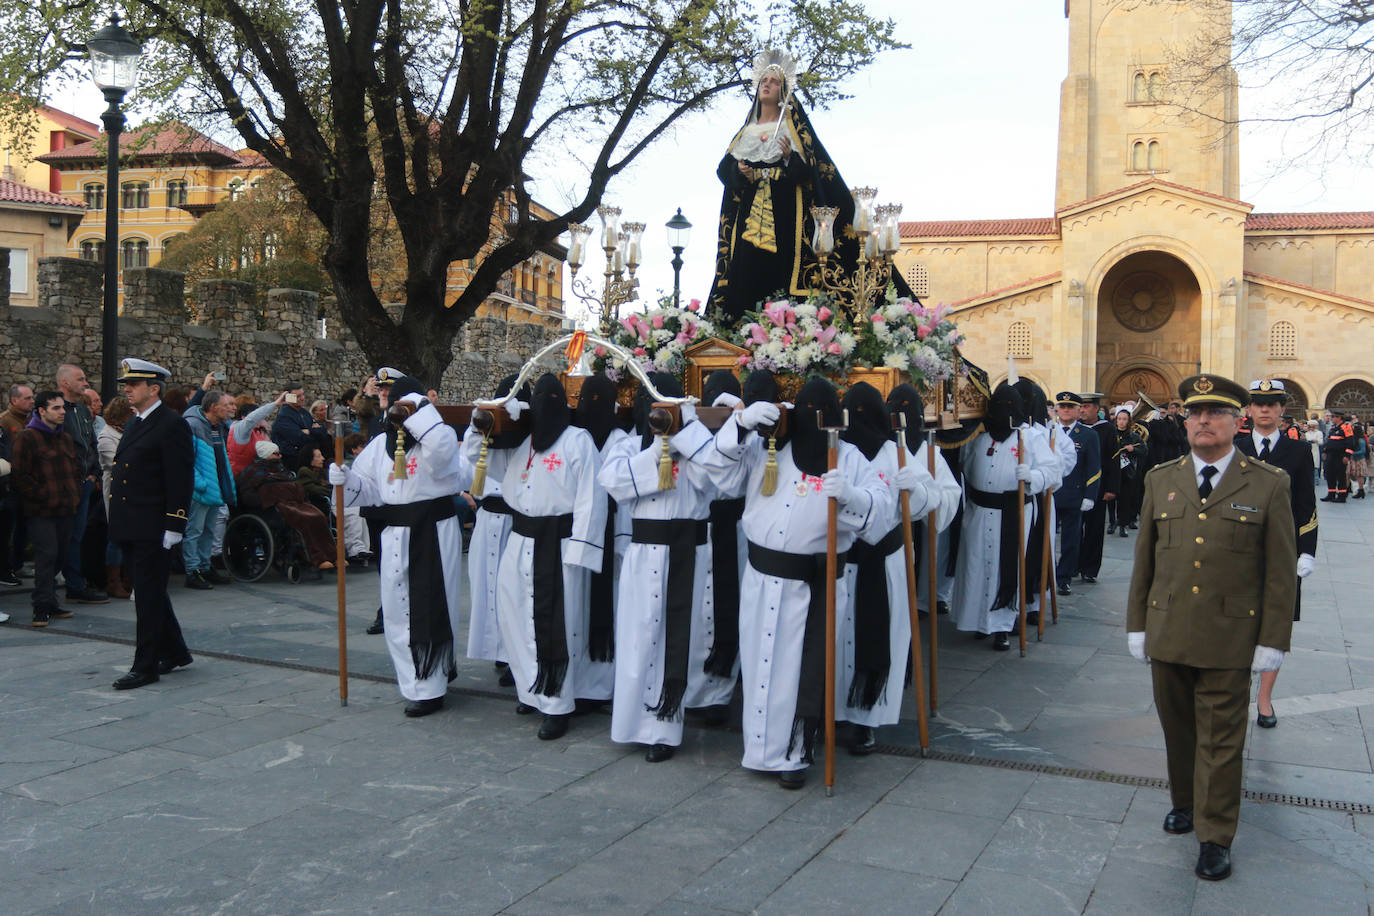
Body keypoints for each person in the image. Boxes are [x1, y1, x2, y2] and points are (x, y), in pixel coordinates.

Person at [1127, 373, 1296, 881]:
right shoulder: (1162, 478)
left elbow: (1279, 571)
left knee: (1222, 740)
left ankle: (1215, 834)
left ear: (1237, 421)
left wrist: (1273, 640)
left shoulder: (1268, 483)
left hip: (1230, 636)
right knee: (1177, 730)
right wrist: (1137, 625)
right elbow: (1145, 562)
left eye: (1216, 412)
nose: (1203, 420)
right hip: (1169, 628)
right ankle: (1184, 803)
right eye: (1196, 412)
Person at [686, 376, 893, 788]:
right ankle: (759, 749)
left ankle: (793, 754)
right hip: (762, 577)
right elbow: (718, 472)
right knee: (762, 660)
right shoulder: (769, 447)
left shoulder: (847, 456)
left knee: (797, 669)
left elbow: (882, 512)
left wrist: (853, 496)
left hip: (812, 584)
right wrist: (740, 425)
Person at [329, 375, 470, 717]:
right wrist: (344, 481)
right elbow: (370, 488)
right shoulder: (381, 445)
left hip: (431, 530)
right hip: (396, 531)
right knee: (397, 610)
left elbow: (446, 460)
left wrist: (420, 410)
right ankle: (415, 678)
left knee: (431, 604)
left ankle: (431, 682)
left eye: (400, 399)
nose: (393, 406)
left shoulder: (437, 439)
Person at [598, 373, 722, 762]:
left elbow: (719, 481)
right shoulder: (628, 445)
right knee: (640, 637)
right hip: (644, 552)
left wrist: (686, 437)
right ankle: (634, 723)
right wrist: (656, 449)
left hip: (688, 553)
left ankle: (666, 728)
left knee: (679, 636)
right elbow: (613, 481)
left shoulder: (696, 450)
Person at [836, 381, 950, 754]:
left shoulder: (894, 451)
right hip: (842, 559)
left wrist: (913, 490)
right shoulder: (837, 449)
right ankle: (835, 708)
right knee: (837, 636)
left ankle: (868, 717)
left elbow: (930, 498)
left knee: (883, 631)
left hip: (885, 561)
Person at [493, 374, 607, 740]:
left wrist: (580, 549)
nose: (545, 404)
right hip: (521, 539)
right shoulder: (524, 443)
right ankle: (531, 689)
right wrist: (498, 421)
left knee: (558, 623)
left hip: (559, 544)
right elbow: (491, 471)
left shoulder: (578, 441)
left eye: (552, 397)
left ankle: (557, 703)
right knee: (516, 616)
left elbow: (592, 497)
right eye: (539, 397)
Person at [1235, 378, 1318, 730]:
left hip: (1281, 553)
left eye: (1273, 403)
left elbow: (1305, 506)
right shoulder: (1233, 447)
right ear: (1249, 409)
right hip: (1236, 552)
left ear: (1283, 409)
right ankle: (1235, 695)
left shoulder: (1297, 451)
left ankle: (1264, 700)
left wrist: (1306, 552)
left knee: (1275, 627)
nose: (1265, 409)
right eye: (1259, 403)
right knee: (1233, 625)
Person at [950, 383, 1058, 651]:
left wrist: (1032, 476)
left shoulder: (1029, 437)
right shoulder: (979, 435)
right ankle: (978, 621)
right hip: (979, 510)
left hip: (1014, 511)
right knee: (975, 566)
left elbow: (1052, 471)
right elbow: (964, 462)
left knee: (1005, 567)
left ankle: (1001, 625)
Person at [108, 359, 195, 689]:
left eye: (134, 384)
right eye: (126, 385)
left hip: (154, 526)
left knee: (146, 598)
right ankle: (175, 652)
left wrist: (175, 524)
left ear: (153, 388)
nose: (127, 390)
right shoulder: (136, 423)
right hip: (132, 524)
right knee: (151, 591)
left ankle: (145, 666)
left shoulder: (171, 424)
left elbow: (179, 478)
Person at [460, 374, 529, 679]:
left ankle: (516, 653)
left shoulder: (531, 433)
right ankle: (498, 651)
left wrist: (522, 420)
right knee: (485, 588)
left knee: (514, 590)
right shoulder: (484, 432)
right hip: (488, 516)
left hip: (518, 520)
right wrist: (486, 420)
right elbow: (471, 455)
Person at [572, 372, 629, 709]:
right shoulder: (574, 437)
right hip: (578, 533)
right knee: (577, 607)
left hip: (612, 529)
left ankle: (604, 684)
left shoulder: (621, 441)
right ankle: (579, 682)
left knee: (608, 605)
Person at [10, 391, 82, 627]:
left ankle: (51, 602)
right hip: (41, 511)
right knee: (46, 555)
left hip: (65, 509)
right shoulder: (27, 437)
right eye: (56, 408)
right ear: (42, 411)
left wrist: (74, 495)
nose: (62, 412)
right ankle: (40, 607)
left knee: (59, 556)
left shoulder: (65, 438)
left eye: (63, 408)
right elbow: (20, 476)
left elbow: (73, 469)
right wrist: (43, 496)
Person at [236, 441, 337, 571]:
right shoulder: (253, 473)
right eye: (276, 454)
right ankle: (317, 558)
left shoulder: (282, 470)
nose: (280, 456)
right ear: (266, 455)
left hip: (294, 503)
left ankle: (332, 555)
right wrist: (269, 498)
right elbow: (248, 498)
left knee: (318, 516)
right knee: (303, 520)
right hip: (272, 508)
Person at [55, 364, 107, 604]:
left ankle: (76, 584)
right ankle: (67, 583)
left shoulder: (84, 412)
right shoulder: (55, 410)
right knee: (64, 536)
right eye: (81, 379)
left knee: (77, 535)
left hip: (85, 483)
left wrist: (94, 473)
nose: (85, 383)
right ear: (65, 383)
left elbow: (91, 443)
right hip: (66, 485)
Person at [182, 390, 237, 589]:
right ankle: (192, 570)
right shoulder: (193, 425)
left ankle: (205, 567)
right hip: (202, 489)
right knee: (194, 530)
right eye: (225, 405)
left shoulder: (220, 427)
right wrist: (200, 484)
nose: (229, 410)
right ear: (214, 407)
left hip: (215, 487)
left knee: (208, 531)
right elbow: (186, 460)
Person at [1053, 392, 1101, 595]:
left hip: (1074, 495)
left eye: (1070, 407)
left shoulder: (1088, 434)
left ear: (1078, 410)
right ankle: (1043, 576)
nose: (1065, 410)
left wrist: (1090, 496)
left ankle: (1064, 578)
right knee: (1044, 540)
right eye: (1062, 407)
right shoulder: (1049, 432)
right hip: (1050, 494)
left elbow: (1094, 467)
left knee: (1071, 541)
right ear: (1057, 409)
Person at [1077, 392, 1118, 583]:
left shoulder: (1107, 430)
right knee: (1075, 529)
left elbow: (1113, 461)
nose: (1083, 410)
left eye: (1087, 407)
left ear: (1096, 409)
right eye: (1081, 407)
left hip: (1098, 487)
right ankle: (1074, 564)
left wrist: (1112, 488)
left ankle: (1090, 568)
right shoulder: (1075, 429)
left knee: (1094, 529)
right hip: (1075, 488)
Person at [97, 396, 135, 599]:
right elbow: (118, 464)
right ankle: (114, 581)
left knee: (131, 535)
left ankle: (129, 577)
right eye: (131, 413)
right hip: (115, 489)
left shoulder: (129, 432)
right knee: (117, 536)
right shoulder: (107, 436)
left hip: (133, 490)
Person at [1110, 407, 1145, 536]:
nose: (1121, 422)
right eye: (1119, 419)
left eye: (1124, 419)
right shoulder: (1111, 433)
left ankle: (1122, 525)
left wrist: (1133, 449)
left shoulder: (1134, 436)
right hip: (1113, 471)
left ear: (1128, 421)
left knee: (1125, 500)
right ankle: (1112, 522)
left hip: (1127, 472)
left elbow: (1144, 450)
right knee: (1111, 499)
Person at [271, 383, 321, 468]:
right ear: (288, 398)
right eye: (298, 396)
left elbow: (322, 431)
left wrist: (309, 431)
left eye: (302, 394)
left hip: (308, 458)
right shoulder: (283, 418)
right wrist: (314, 432)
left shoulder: (304, 413)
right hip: (293, 461)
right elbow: (301, 439)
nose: (302, 398)